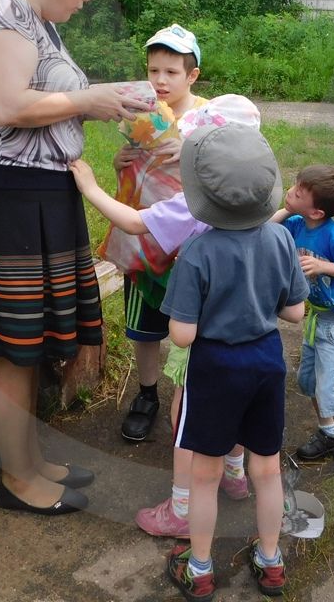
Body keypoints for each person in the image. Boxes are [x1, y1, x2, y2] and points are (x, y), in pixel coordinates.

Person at [0, 0, 152, 516]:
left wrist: (111, 108)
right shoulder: (4, 11)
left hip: (36, 195)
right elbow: (8, 106)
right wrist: (89, 100)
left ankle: (31, 461)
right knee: (15, 348)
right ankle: (17, 479)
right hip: (9, 202)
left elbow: (46, 103)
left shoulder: (37, 22)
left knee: (28, 346)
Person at [69, 95, 263, 539]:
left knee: (187, 422)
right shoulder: (264, 222)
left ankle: (181, 508)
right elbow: (291, 307)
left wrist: (91, 188)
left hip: (203, 348)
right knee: (239, 407)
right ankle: (235, 474)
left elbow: (136, 224)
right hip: (255, 345)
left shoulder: (193, 209)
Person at [161, 123, 308, 599]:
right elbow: (294, 310)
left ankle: (199, 569)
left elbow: (182, 334)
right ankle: (271, 561)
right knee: (266, 470)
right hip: (266, 361)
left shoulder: (196, 253)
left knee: (203, 477)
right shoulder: (281, 239)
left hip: (215, 369)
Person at [103, 23, 206, 443]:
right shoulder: (142, 113)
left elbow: (229, 174)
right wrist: (118, 160)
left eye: (171, 72)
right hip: (141, 243)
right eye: (153, 71)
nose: (160, 81)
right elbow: (130, 171)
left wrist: (196, 152)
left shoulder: (208, 117)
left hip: (191, 248)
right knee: (144, 327)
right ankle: (147, 395)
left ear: (192, 76)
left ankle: (195, 395)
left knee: (194, 327)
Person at [272, 165, 334, 463]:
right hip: (318, 320)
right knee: (309, 382)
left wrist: (325, 267)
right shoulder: (297, 224)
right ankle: (328, 431)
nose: (290, 192)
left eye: (298, 192)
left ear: (317, 211)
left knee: (329, 386)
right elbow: (267, 230)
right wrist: (287, 210)